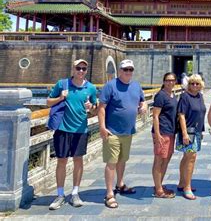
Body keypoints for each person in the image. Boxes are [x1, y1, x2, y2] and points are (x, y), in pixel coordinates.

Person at [47, 59, 97, 210]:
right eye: (78, 68)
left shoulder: (91, 88)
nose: (81, 71)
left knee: (78, 161)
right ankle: (60, 194)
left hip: (80, 130)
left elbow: (95, 109)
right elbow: (48, 102)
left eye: (83, 68)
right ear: (73, 69)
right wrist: (61, 98)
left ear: (86, 71)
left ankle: (75, 193)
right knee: (61, 161)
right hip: (62, 129)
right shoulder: (62, 84)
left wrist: (92, 107)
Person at [99, 59, 146, 209]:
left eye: (130, 70)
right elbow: (101, 108)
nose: (128, 72)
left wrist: (143, 106)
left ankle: (120, 184)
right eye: (125, 70)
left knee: (122, 160)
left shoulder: (136, 86)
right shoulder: (110, 86)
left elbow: (142, 101)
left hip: (128, 131)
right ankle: (109, 193)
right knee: (111, 162)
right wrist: (101, 127)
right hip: (112, 131)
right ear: (120, 71)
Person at [176, 74, 207, 200]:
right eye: (192, 83)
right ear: (188, 85)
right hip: (188, 132)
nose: (195, 85)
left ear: (201, 85)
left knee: (187, 156)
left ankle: (182, 182)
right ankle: (187, 187)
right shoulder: (185, 96)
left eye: (197, 84)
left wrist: (202, 131)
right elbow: (181, 115)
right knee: (191, 157)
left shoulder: (200, 96)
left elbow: (200, 113)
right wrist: (184, 133)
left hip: (197, 131)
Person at [151, 72, 178, 198]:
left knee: (166, 159)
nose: (170, 82)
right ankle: (158, 190)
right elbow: (155, 115)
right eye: (167, 80)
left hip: (171, 132)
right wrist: (157, 134)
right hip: (162, 132)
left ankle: (159, 185)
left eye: (172, 80)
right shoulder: (161, 95)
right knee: (159, 159)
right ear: (164, 81)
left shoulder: (173, 95)